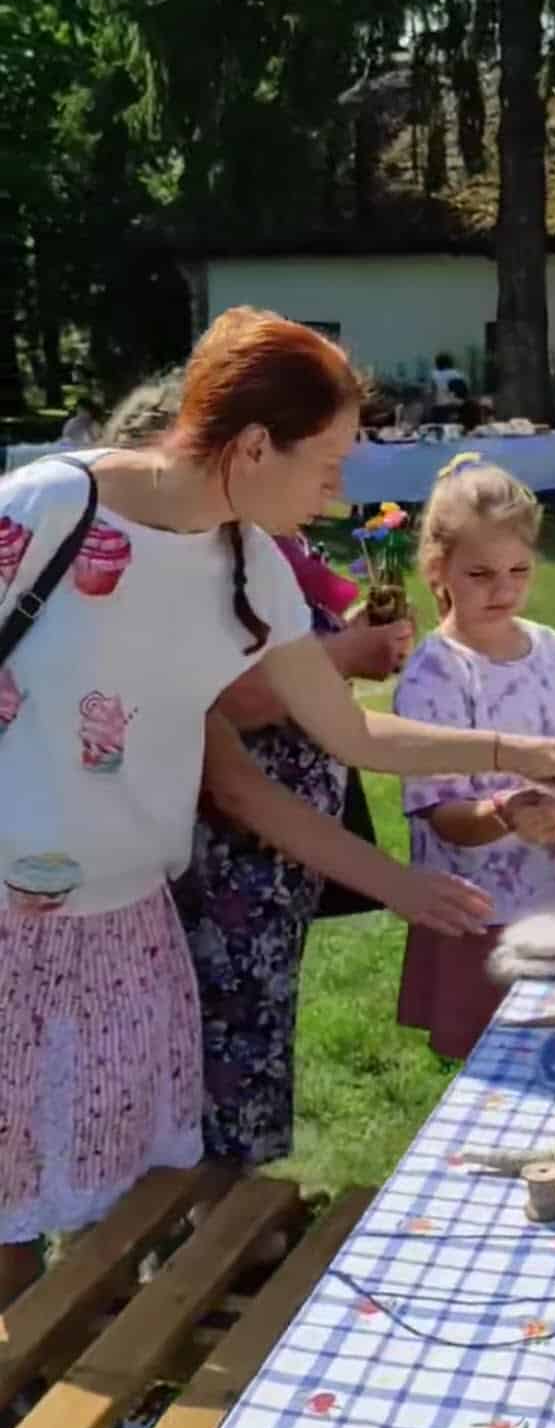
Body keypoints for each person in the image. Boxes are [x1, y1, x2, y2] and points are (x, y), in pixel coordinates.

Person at [0, 308, 555, 1306]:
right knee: (8, 1204)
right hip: (8, 927)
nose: (340, 492)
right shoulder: (46, 511)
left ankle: (92, 1386)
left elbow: (344, 739)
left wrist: (505, 752)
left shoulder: (248, 565)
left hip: (126, 927)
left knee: (118, 1193)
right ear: (254, 445)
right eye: (328, 464)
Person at [101, 375, 420, 1173]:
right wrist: (345, 655)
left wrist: (345, 645)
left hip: (276, 858)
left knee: (253, 1038)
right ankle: (204, 1235)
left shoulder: (258, 547)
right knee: (209, 1057)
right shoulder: (183, 564)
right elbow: (225, 703)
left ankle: (234, 1221)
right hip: (225, 860)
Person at [393, 453, 555, 1058]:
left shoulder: (552, 651)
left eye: (518, 570)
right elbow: (441, 813)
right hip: (475, 913)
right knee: (490, 1066)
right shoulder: (435, 674)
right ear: (438, 568)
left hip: (550, 894)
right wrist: (508, 811)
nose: (504, 589)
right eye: (480, 574)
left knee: (554, 1051)